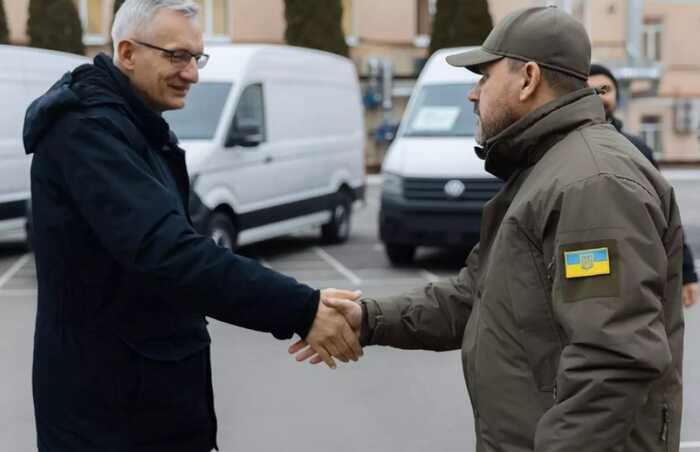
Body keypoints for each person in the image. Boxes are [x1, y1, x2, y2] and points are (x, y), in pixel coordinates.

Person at [292, 6, 684, 452]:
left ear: (528, 78)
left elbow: (612, 361)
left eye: (483, 77)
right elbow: (474, 296)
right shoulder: (546, 169)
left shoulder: (592, 183)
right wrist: (368, 320)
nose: (473, 95)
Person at [23, 1, 361, 451]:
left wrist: (305, 304)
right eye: (176, 56)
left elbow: (199, 242)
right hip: (110, 419)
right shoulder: (87, 132)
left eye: (196, 58)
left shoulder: (143, 129)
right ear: (127, 53)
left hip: (149, 406)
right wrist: (300, 309)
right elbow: (169, 251)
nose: (192, 74)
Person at [588, 63, 698, 307]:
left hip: (634, 270)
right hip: (583, 268)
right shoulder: (562, 147)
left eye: (604, 89)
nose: (599, 97)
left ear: (617, 95)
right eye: (590, 91)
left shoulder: (636, 149)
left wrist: (686, 273)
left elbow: (665, 212)